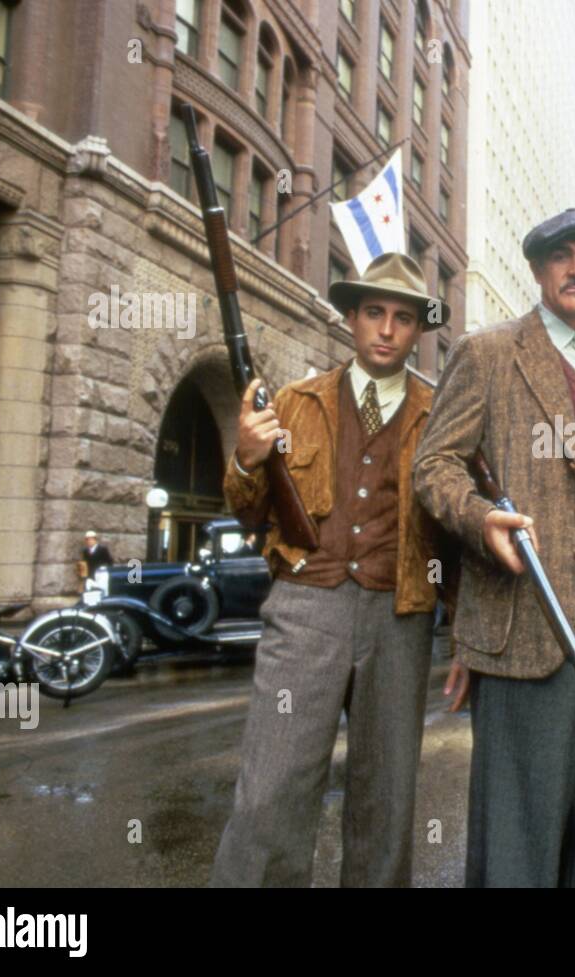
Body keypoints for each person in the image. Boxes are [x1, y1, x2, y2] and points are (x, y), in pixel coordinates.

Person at [413, 208, 575, 887]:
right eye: (561, 255)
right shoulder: (488, 352)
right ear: (538, 269)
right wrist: (484, 518)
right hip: (531, 598)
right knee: (523, 807)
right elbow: (434, 467)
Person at [211, 252, 452, 888]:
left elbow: (455, 531)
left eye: (403, 318)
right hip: (304, 607)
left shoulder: (442, 414)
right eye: (374, 312)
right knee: (270, 792)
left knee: (385, 802)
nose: (386, 329)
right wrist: (245, 456)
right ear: (351, 317)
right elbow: (245, 510)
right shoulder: (295, 402)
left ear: (418, 330)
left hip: (401, 616)